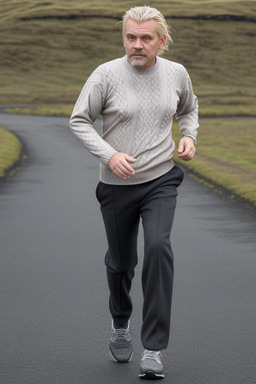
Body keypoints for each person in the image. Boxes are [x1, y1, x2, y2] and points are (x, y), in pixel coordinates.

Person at [70, 5, 198, 380]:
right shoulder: (105, 75)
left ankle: (154, 349)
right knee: (122, 264)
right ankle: (120, 320)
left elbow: (188, 109)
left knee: (159, 247)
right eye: (130, 37)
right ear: (123, 38)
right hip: (116, 187)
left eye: (145, 38)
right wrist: (109, 156)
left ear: (161, 41)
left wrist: (189, 136)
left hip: (161, 179)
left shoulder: (176, 74)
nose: (137, 45)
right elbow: (79, 120)